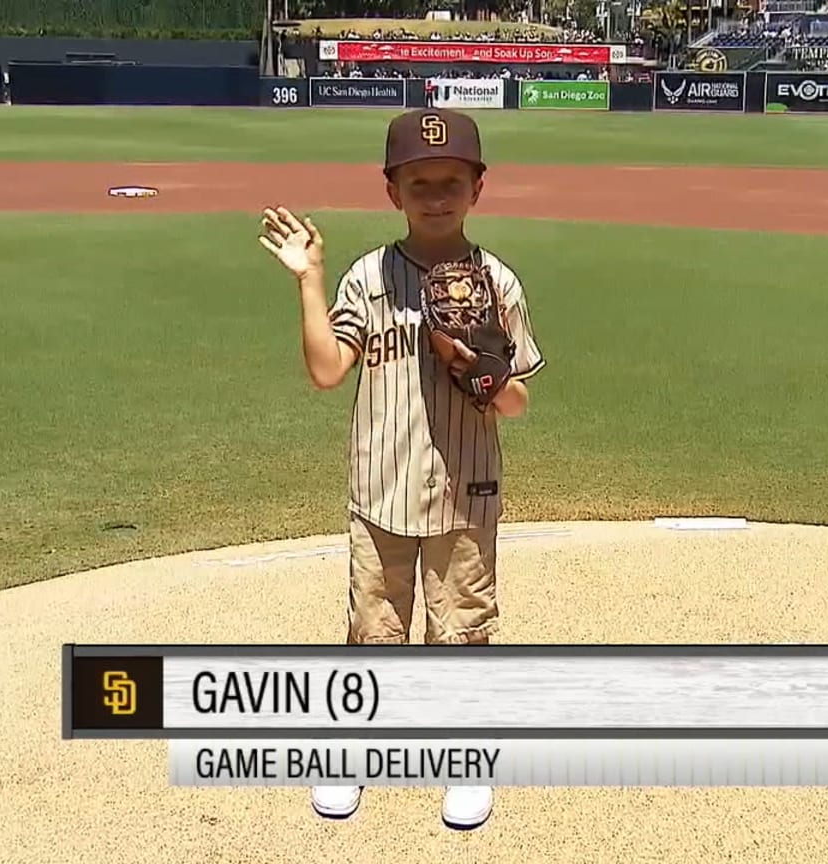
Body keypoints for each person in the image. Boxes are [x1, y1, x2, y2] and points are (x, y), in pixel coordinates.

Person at [256, 107, 545, 830]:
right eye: (419, 181)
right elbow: (327, 371)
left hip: (464, 492)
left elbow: (516, 403)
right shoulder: (368, 277)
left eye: (452, 180)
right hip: (381, 488)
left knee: (463, 632)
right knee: (374, 628)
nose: (436, 194)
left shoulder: (498, 282)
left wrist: (479, 370)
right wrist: (309, 279)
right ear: (393, 191)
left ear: (478, 187)